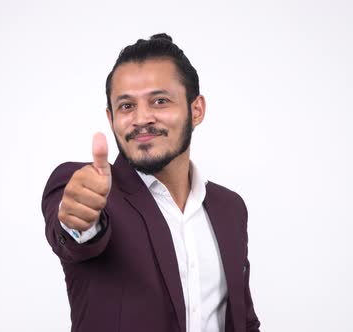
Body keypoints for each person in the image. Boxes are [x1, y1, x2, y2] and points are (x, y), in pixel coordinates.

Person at [41, 33, 260, 332]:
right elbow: (75, 231)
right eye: (127, 106)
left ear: (196, 110)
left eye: (160, 101)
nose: (142, 118)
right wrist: (78, 221)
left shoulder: (230, 208)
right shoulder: (86, 189)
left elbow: (243, 321)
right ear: (111, 117)